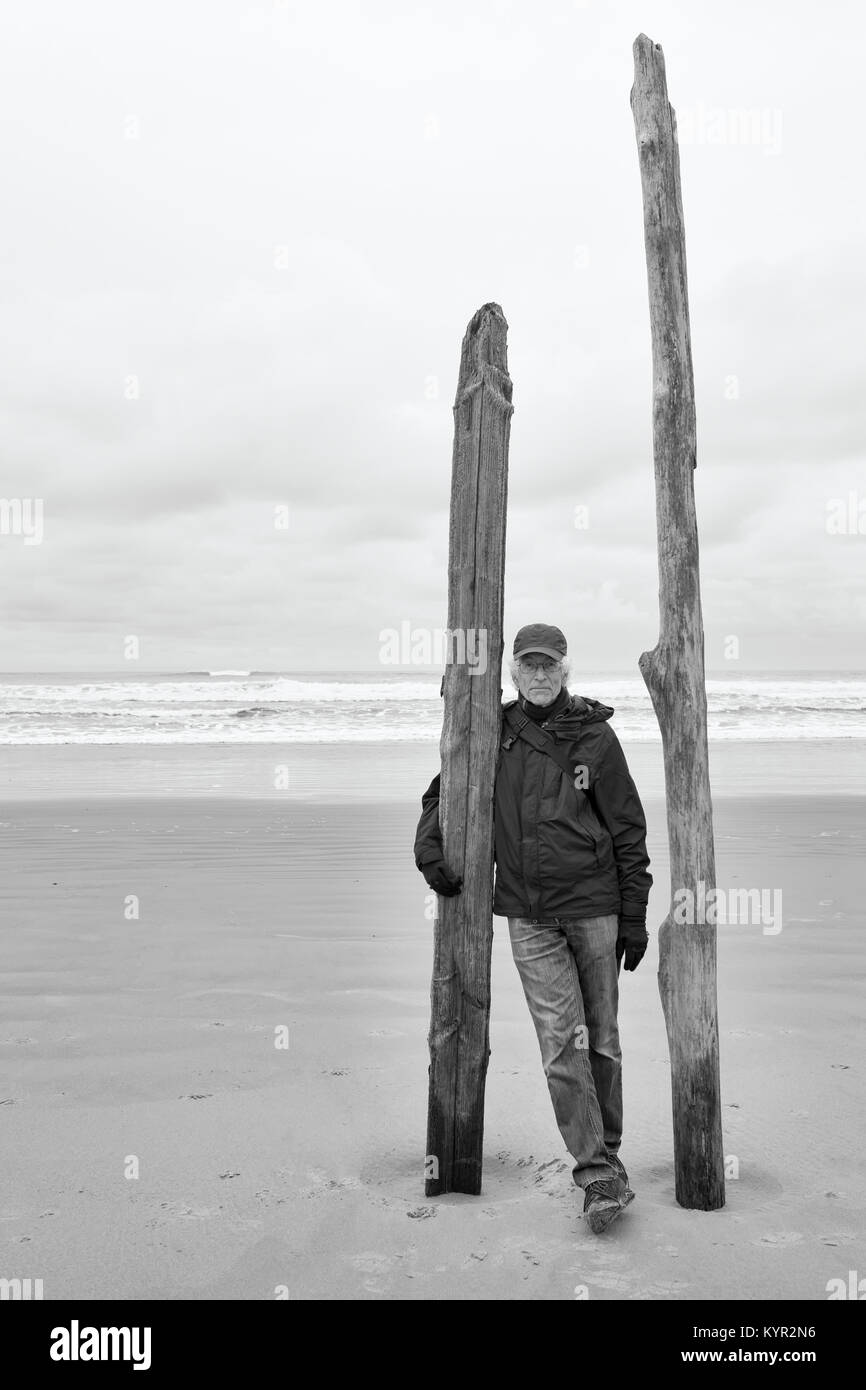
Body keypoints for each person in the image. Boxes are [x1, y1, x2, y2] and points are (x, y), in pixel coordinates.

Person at [413, 623, 652, 1234]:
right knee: (559, 1046)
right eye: (529, 666)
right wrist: (428, 847)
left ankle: (611, 1156)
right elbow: (444, 793)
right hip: (529, 915)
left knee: (601, 1040)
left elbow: (627, 827)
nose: (540, 675)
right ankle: (595, 1171)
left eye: (549, 665)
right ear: (512, 673)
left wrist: (633, 915)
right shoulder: (493, 733)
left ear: (565, 669)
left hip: (594, 908)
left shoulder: (596, 739)